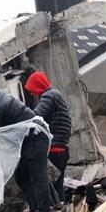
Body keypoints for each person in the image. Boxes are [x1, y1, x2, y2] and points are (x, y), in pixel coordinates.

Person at [24, 70, 72, 204]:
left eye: (32, 90)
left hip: (55, 148)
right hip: (62, 148)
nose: (32, 94)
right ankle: (62, 209)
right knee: (58, 186)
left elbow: (36, 116)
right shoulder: (56, 94)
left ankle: (56, 211)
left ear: (38, 86)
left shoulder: (48, 96)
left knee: (51, 187)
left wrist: (19, 117)